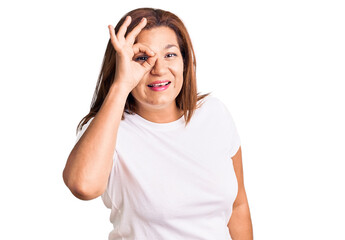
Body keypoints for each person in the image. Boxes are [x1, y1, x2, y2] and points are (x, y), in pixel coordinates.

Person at [62, 8, 253, 240]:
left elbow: (237, 205)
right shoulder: (108, 127)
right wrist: (121, 86)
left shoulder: (214, 113)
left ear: (185, 60)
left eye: (170, 55)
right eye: (142, 58)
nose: (159, 69)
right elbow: (83, 186)